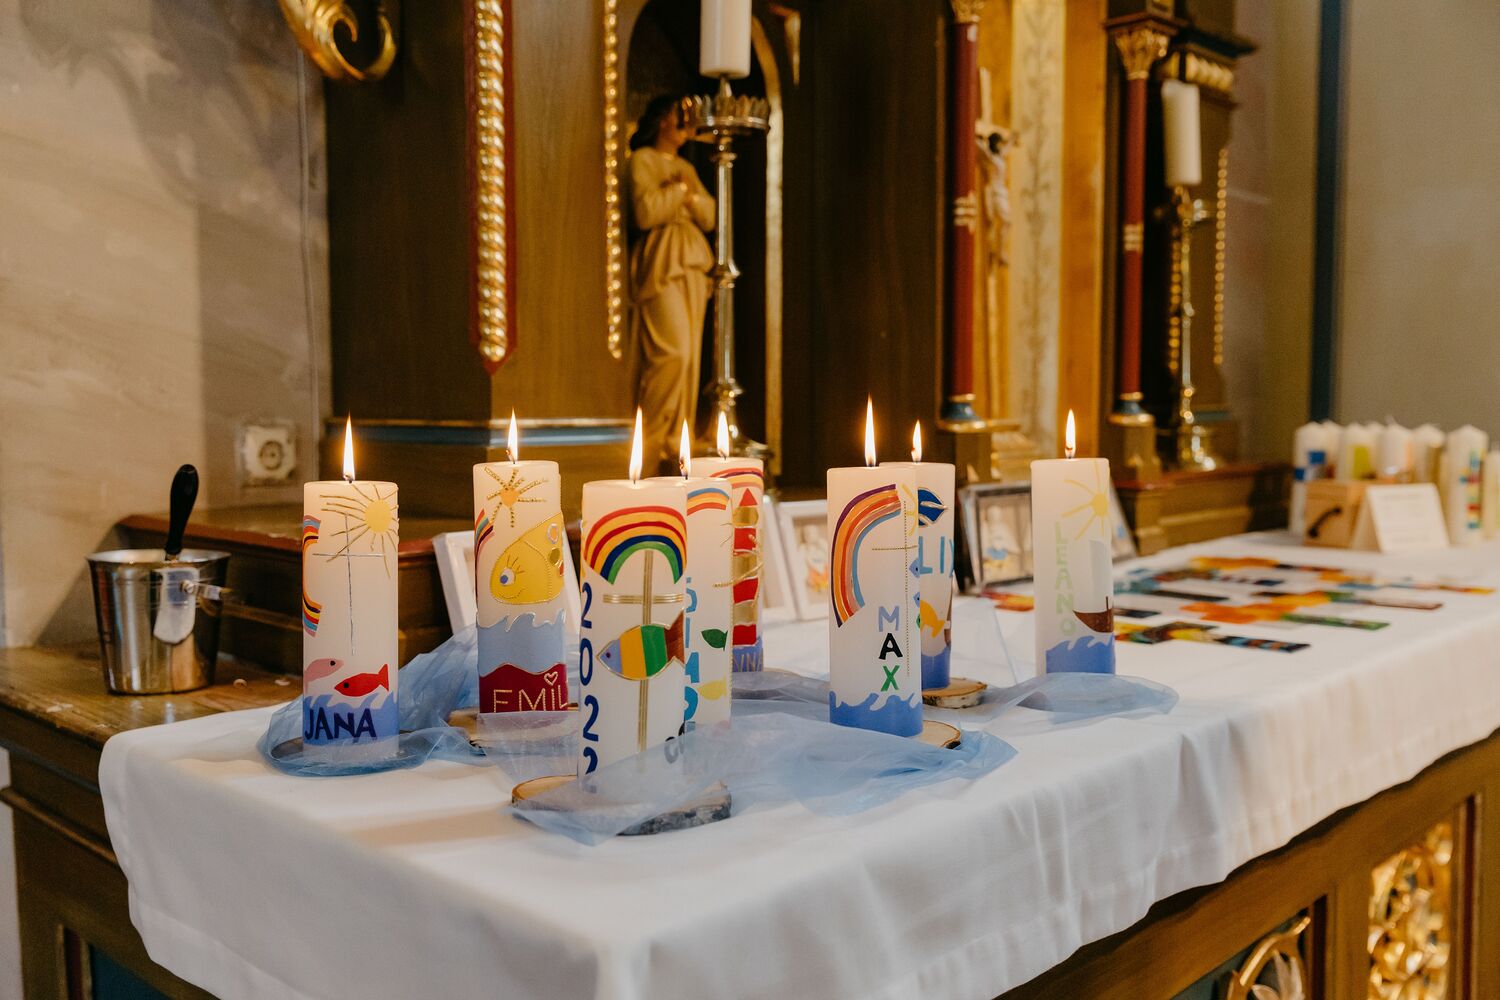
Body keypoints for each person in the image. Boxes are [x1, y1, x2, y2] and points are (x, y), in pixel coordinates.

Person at [626, 95, 716, 472]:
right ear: (663, 120)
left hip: (692, 262)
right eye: (680, 115)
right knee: (672, 354)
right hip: (662, 261)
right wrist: (679, 193)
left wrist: (687, 195)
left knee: (690, 358)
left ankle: (676, 444)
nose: (686, 124)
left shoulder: (685, 167)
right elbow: (646, 212)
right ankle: (649, 445)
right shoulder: (643, 160)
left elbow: (709, 215)